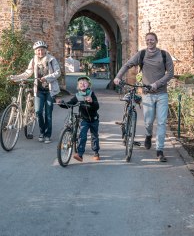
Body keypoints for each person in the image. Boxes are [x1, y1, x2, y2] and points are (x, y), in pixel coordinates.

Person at [114, 32, 174, 162]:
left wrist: (157, 84)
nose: (150, 42)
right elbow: (127, 65)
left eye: (152, 40)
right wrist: (118, 77)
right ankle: (148, 135)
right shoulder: (141, 54)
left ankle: (160, 150)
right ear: (146, 41)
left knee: (162, 122)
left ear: (156, 41)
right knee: (148, 122)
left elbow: (170, 73)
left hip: (162, 94)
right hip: (147, 95)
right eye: (147, 40)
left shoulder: (164, 54)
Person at [10, 40, 61, 144]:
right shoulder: (34, 60)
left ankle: (47, 135)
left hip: (50, 91)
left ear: (45, 50)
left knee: (48, 114)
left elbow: (58, 72)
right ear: (35, 51)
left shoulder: (51, 59)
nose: (40, 52)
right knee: (38, 112)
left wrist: (46, 78)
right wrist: (16, 77)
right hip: (38, 90)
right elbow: (28, 72)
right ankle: (42, 132)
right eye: (38, 50)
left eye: (42, 50)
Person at [58, 76, 100, 162]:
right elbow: (69, 104)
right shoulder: (77, 96)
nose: (82, 84)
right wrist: (61, 103)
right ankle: (80, 155)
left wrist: (92, 102)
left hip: (94, 119)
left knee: (94, 136)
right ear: (78, 86)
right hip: (84, 119)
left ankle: (96, 152)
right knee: (82, 136)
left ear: (88, 85)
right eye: (80, 83)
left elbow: (97, 106)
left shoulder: (91, 94)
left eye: (85, 82)